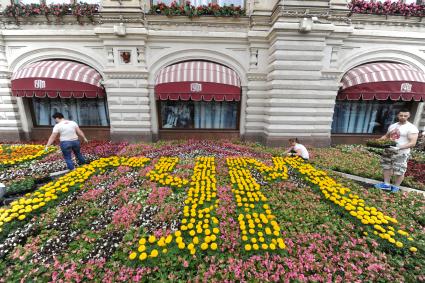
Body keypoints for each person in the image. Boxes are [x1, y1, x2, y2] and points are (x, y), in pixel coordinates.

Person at [374, 109, 419, 192]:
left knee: (400, 170)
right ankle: (386, 184)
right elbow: (386, 136)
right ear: (398, 115)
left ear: (408, 116)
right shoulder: (393, 126)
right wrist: (377, 141)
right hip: (389, 151)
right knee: (386, 167)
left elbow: (413, 143)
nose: (403, 117)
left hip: (401, 153)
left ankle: (396, 187)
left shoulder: (412, 128)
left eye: (405, 116)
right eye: (401, 115)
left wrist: (399, 147)